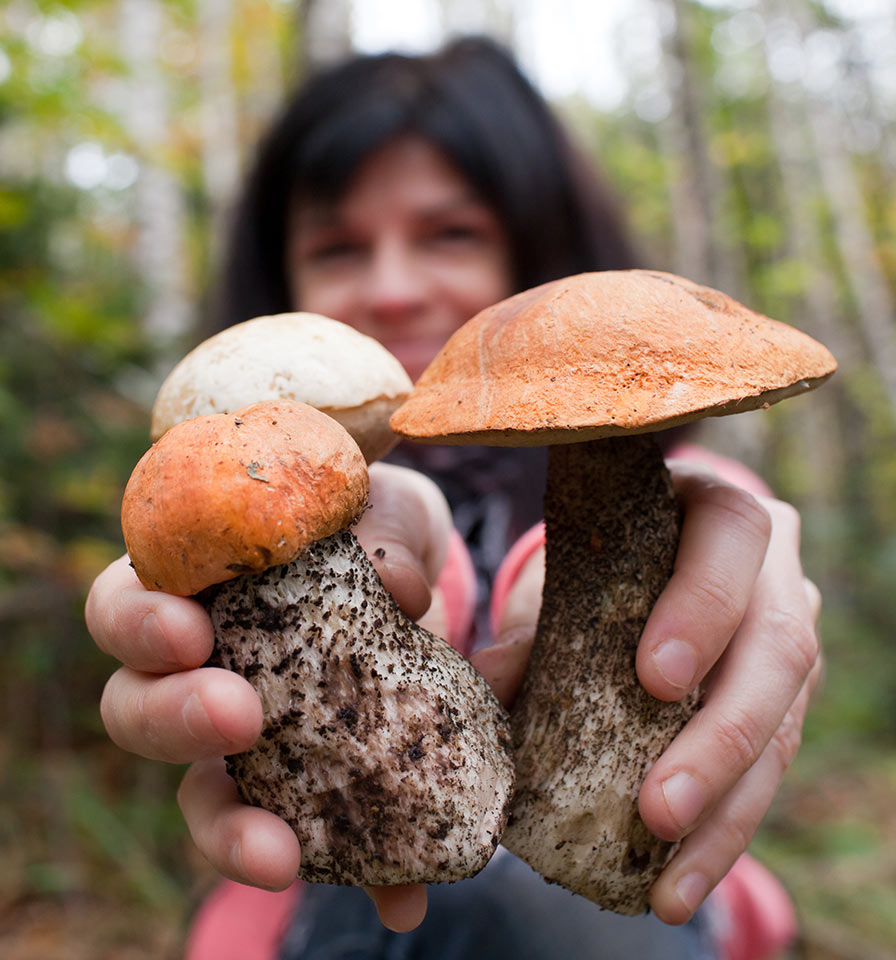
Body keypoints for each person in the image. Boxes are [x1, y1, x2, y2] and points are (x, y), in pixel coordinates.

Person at [86, 37, 821, 960]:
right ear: (282, 287)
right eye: (339, 246)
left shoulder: (683, 482)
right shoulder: (255, 483)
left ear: (541, 248)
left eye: (451, 232)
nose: (392, 288)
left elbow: (715, 525)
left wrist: (741, 557)